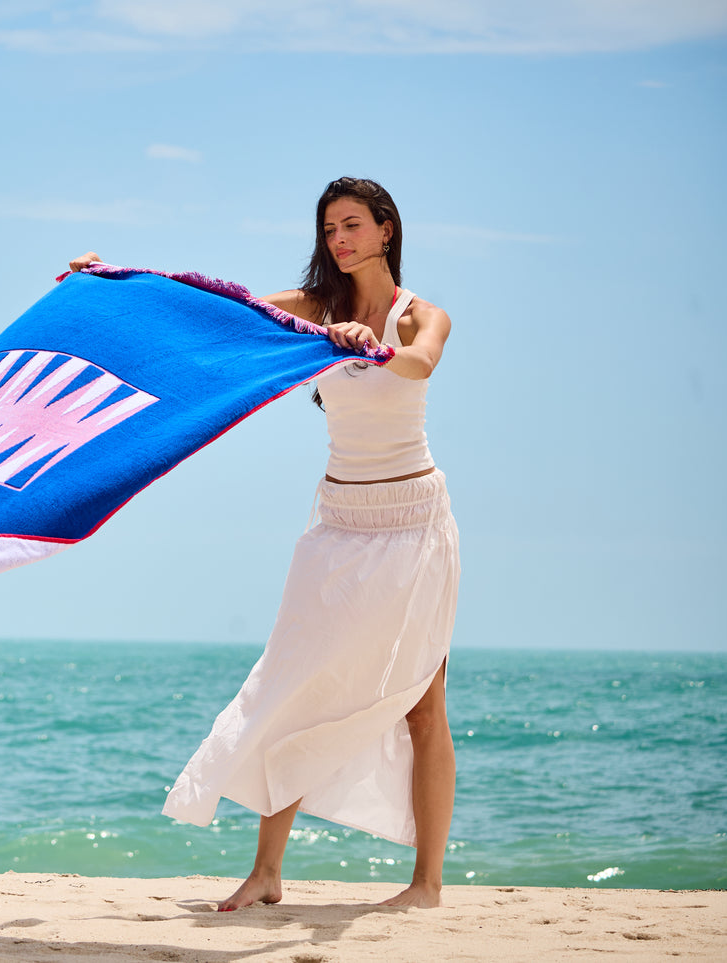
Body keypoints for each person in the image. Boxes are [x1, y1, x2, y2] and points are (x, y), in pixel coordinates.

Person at [68, 176, 458, 910]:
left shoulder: (421, 315)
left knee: (423, 703)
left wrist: (371, 345)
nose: (338, 240)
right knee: (294, 684)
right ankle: (267, 871)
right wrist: (111, 283)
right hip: (339, 520)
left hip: (414, 518)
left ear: (384, 230)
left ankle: (426, 885)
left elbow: (418, 362)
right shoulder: (313, 311)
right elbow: (210, 308)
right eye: (328, 229)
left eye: (351, 225)